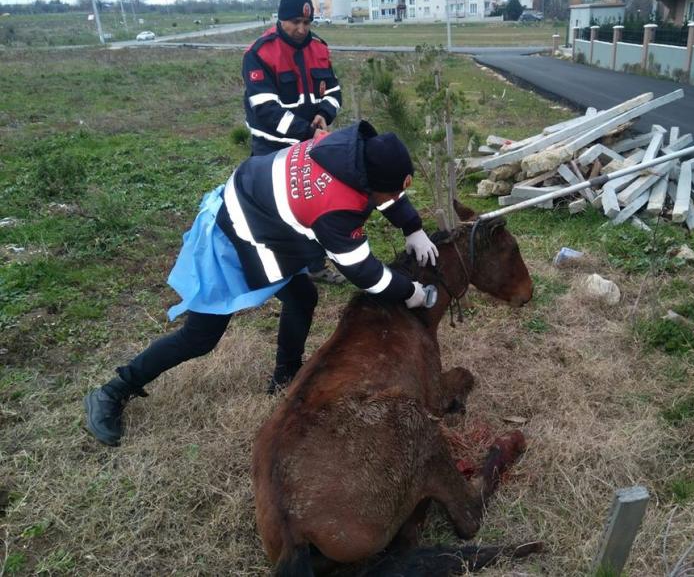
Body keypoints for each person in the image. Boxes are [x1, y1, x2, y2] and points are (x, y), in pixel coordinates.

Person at [83, 121, 439, 447]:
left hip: (264, 220)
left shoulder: (349, 150)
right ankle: (113, 391)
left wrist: (413, 226)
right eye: (388, 195)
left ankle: (285, 376)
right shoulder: (333, 207)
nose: (391, 201)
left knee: (302, 296)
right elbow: (364, 272)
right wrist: (412, 293)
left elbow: (386, 189)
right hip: (231, 238)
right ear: (368, 183)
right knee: (200, 337)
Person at [243, 0, 345, 283]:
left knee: (313, 203)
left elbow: (334, 92)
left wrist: (325, 114)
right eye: (295, 22)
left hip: (309, 144)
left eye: (307, 22)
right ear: (280, 19)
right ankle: (272, 268)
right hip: (271, 146)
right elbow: (265, 110)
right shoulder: (260, 53)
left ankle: (315, 266)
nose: (302, 29)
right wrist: (308, 131)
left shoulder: (320, 48)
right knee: (270, 208)